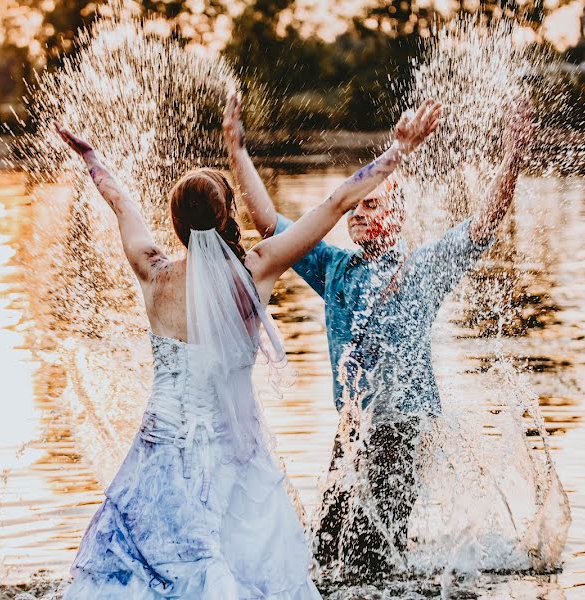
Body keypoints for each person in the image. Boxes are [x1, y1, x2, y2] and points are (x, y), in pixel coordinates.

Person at [53, 89, 441, 598]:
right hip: (234, 451)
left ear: (176, 225)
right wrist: (399, 151)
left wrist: (91, 158)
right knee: (236, 562)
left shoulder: (151, 271)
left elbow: (120, 201)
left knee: (159, 560)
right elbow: (336, 202)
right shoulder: (255, 270)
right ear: (227, 216)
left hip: (160, 446)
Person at [224, 93, 534, 581]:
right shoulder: (333, 269)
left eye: (372, 205)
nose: (359, 215)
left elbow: (484, 222)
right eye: (355, 208)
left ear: (399, 215)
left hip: (401, 430)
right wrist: (238, 153)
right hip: (353, 429)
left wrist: (513, 157)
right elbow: (270, 225)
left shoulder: (423, 268)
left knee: (368, 565)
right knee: (325, 554)